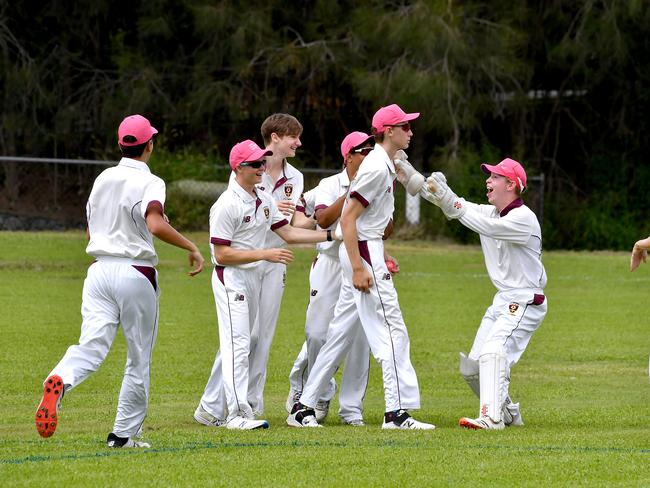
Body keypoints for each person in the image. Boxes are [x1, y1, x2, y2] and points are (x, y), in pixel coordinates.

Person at [35, 115, 205, 448]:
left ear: (120, 144)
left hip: (98, 271)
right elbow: (155, 224)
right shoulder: (151, 182)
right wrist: (191, 245)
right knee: (139, 357)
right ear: (150, 145)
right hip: (135, 272)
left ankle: (60, 378)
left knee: (92, 345)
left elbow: (91, 231)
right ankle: (123, 435)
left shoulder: (102, 179)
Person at [287, 104, 435, 430]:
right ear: (388, 131)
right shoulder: (376, 168)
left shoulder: (386, 162)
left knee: (339, 335)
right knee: (392, 332)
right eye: (405, 127)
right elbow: (347, 218)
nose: (410, 132)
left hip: (369, 249)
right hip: (365, 251)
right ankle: (396, 414)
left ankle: (304, 407)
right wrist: (358, 266)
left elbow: (413, 186)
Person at [197, 139, 335, 429]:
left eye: (263, 162)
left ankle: (217, 410)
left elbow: (287, 232)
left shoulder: (262, 196)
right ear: (238, 167)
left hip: (255, 276)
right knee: (239, 344)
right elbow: (221, 254)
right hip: (231, 277)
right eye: (256, 164)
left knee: (252, 340)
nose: (262, 168)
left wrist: (332, 236)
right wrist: (265, 254)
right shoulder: (226, 204)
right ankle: (235, 415)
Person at [417, 157, 547, 430]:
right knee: (472, 367)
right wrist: (409, 175)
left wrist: (447, 197)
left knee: (493, 352)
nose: (487, 181)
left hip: (525, 300)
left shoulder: (523, 218)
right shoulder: (492, 212)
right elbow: (458, 208)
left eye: (494, 177)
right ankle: (509, 412)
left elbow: (480, 224)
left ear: (511, 184)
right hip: (504, 299)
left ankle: (492, 418)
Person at [286, 132, 376, 426]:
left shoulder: (378, 181)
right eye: (364, 151)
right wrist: (352, 193)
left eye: (373, 150)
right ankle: (317, 393)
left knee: (360, 340)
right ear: (348, 156)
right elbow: (324, 220)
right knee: (317, 333)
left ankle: (351, 409)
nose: (370, 155)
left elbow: (385, 229)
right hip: (329, 262)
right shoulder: (329, 184)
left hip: (361, 261)